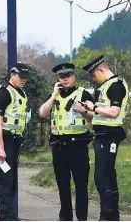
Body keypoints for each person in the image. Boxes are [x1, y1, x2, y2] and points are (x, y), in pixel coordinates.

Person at [39, 63, 95, 221]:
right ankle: (65, 218)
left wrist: (84, 111)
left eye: (68, 77)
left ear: (74, 77)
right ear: (58, 80)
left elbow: (94, 116)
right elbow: (43, 113)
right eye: (62, 78)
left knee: (81, 186)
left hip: (78, 146)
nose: (65, 80)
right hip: (59, 147)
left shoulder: (84, 94)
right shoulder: (54, 96)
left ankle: (82, 218)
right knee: (63, 186)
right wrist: (52, 96)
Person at [81, 55, 129, 221]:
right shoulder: (105, 87)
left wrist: (93, 106)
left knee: (104, 176)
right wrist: (84, 111)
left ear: (101, 69)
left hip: (110, 135)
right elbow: (98, 115)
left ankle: (109, 216)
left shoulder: (116, 85)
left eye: (94, 75)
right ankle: (109, 215)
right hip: (102, 135)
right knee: (104, 176)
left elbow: (114, 112)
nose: (94, 79)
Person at [0, 62, 30, 221]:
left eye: (25, 77)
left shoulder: (20, 93)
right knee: (4, 181)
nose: (24, 79)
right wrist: (0, 148)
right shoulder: (3, 93)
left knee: (11, 182)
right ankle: (5, 218)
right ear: (12, 75)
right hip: (3, 141)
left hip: (13, 141)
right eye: (21, 76)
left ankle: (10, 216)